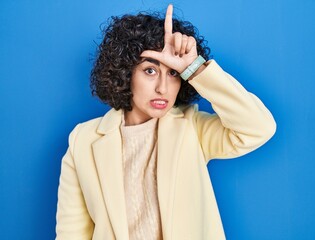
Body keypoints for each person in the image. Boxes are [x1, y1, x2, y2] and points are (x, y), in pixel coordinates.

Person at [56, 4, 276, 240]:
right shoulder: (83, 140)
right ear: (125, 72)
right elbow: (72, 234)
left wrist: (195, 68)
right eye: (150, 71)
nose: (163, 88)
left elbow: (258, 127)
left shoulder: (193, 129)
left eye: (173, 73)